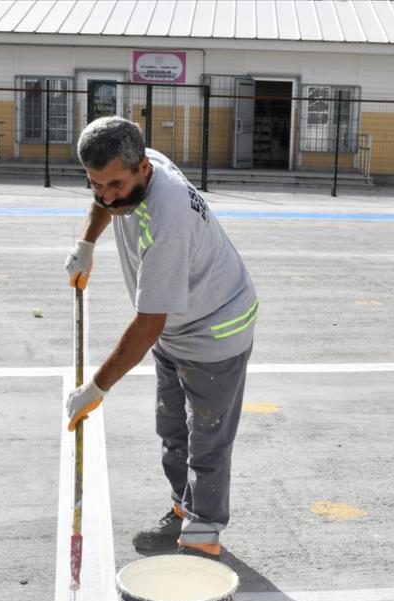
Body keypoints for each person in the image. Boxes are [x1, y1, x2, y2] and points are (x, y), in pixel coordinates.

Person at [63, 116, 257, 560]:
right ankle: (181, 513)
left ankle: (201, 540)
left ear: (143, 169)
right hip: (178, 327)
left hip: (215, 328)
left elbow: (148, 322)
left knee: (206, 439)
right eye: (96, 184)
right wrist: (87, 243)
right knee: (172, 429)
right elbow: (105, 200)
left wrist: (96, 388)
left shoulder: (166, 222)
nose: (107, 195)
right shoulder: (132, 168)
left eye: (116, 184)